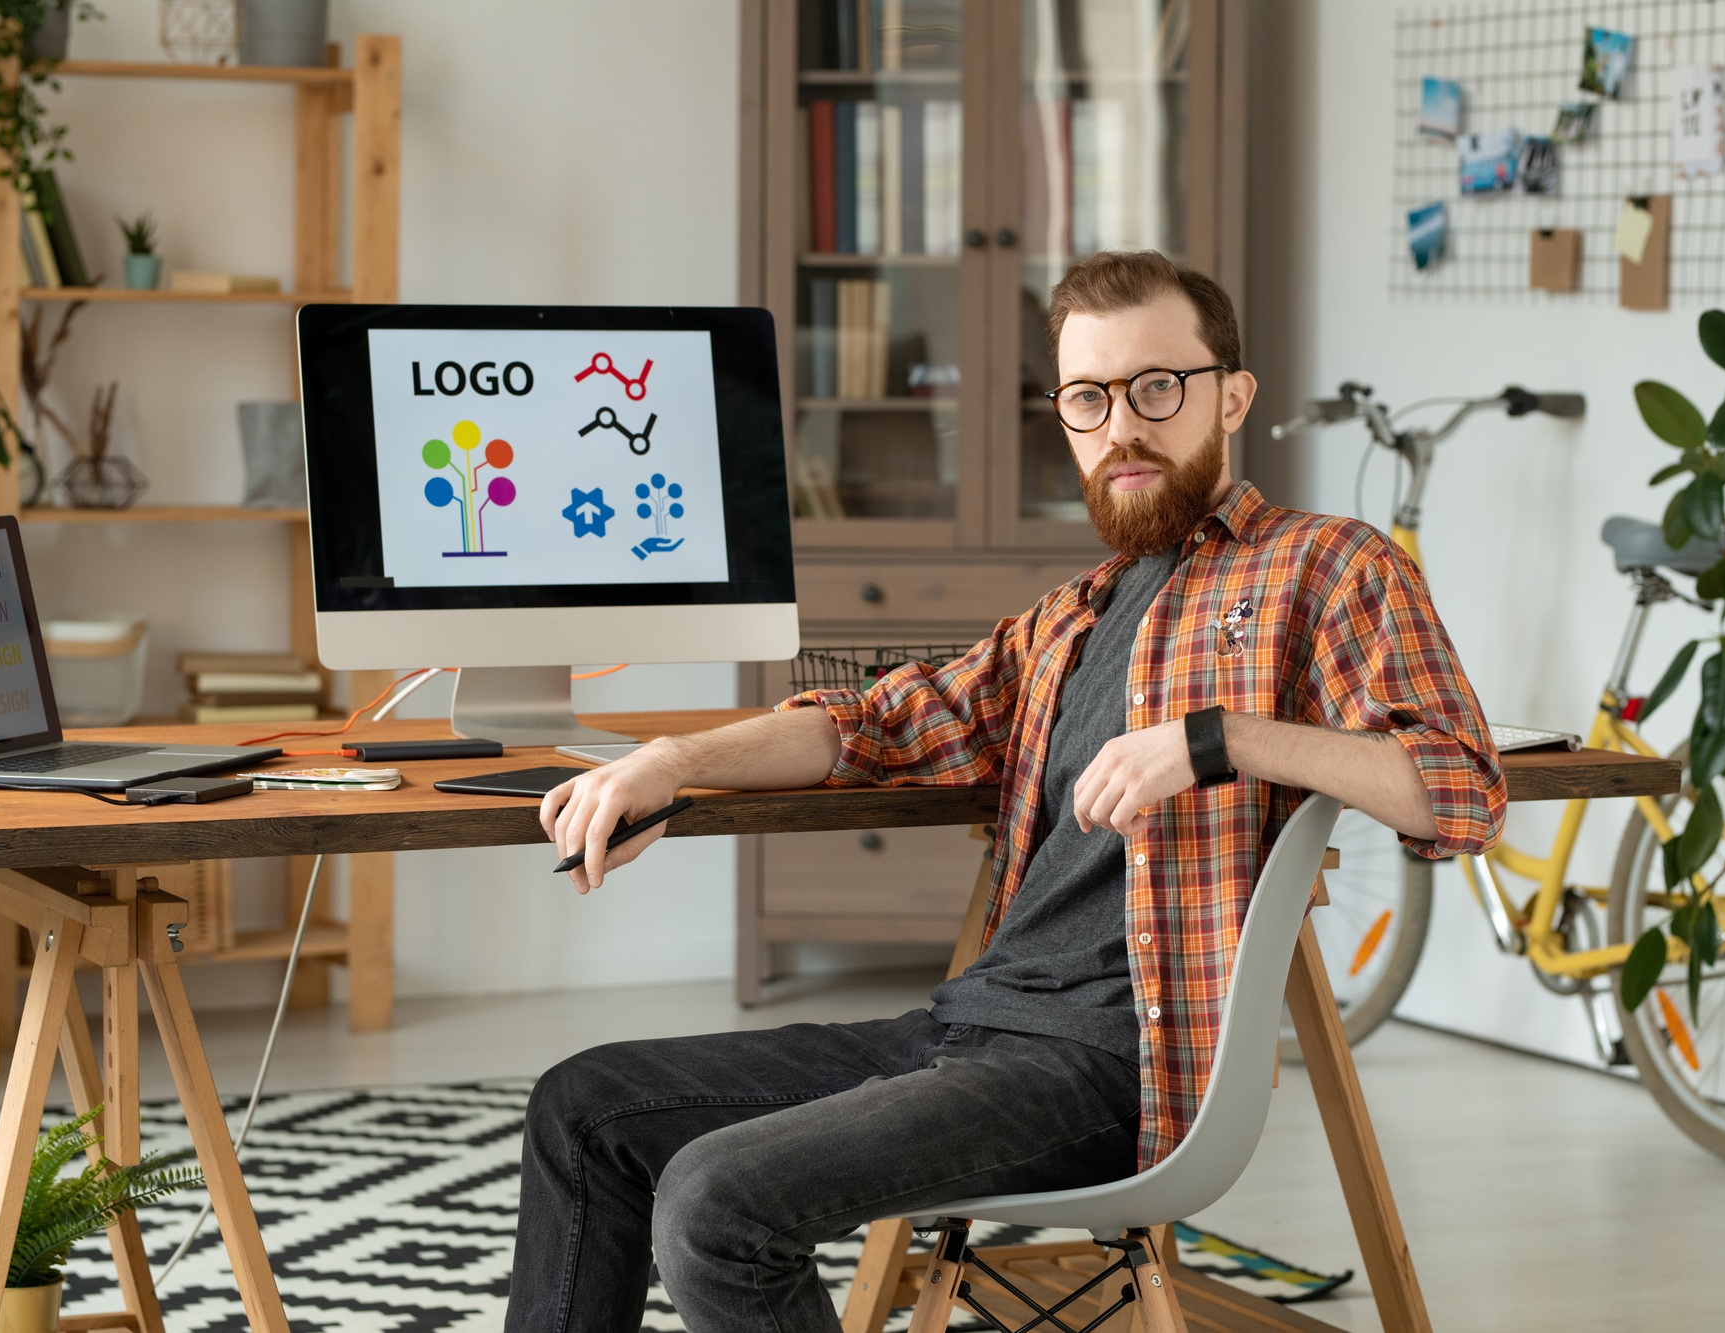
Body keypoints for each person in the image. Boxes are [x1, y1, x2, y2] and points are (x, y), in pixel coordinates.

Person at [504, 250, 1503, 1333]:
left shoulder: (1327, 567)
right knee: (583, 1105)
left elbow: (1456, 788)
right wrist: (669, 761)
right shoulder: (1065, 619)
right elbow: (872, 724)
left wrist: (1220, 739)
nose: (1120, 427)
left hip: (1110, 1066)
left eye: (1155, 388)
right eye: (1087, 398)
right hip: (969, 1032)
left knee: (716, 1201)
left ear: (1232, 394)